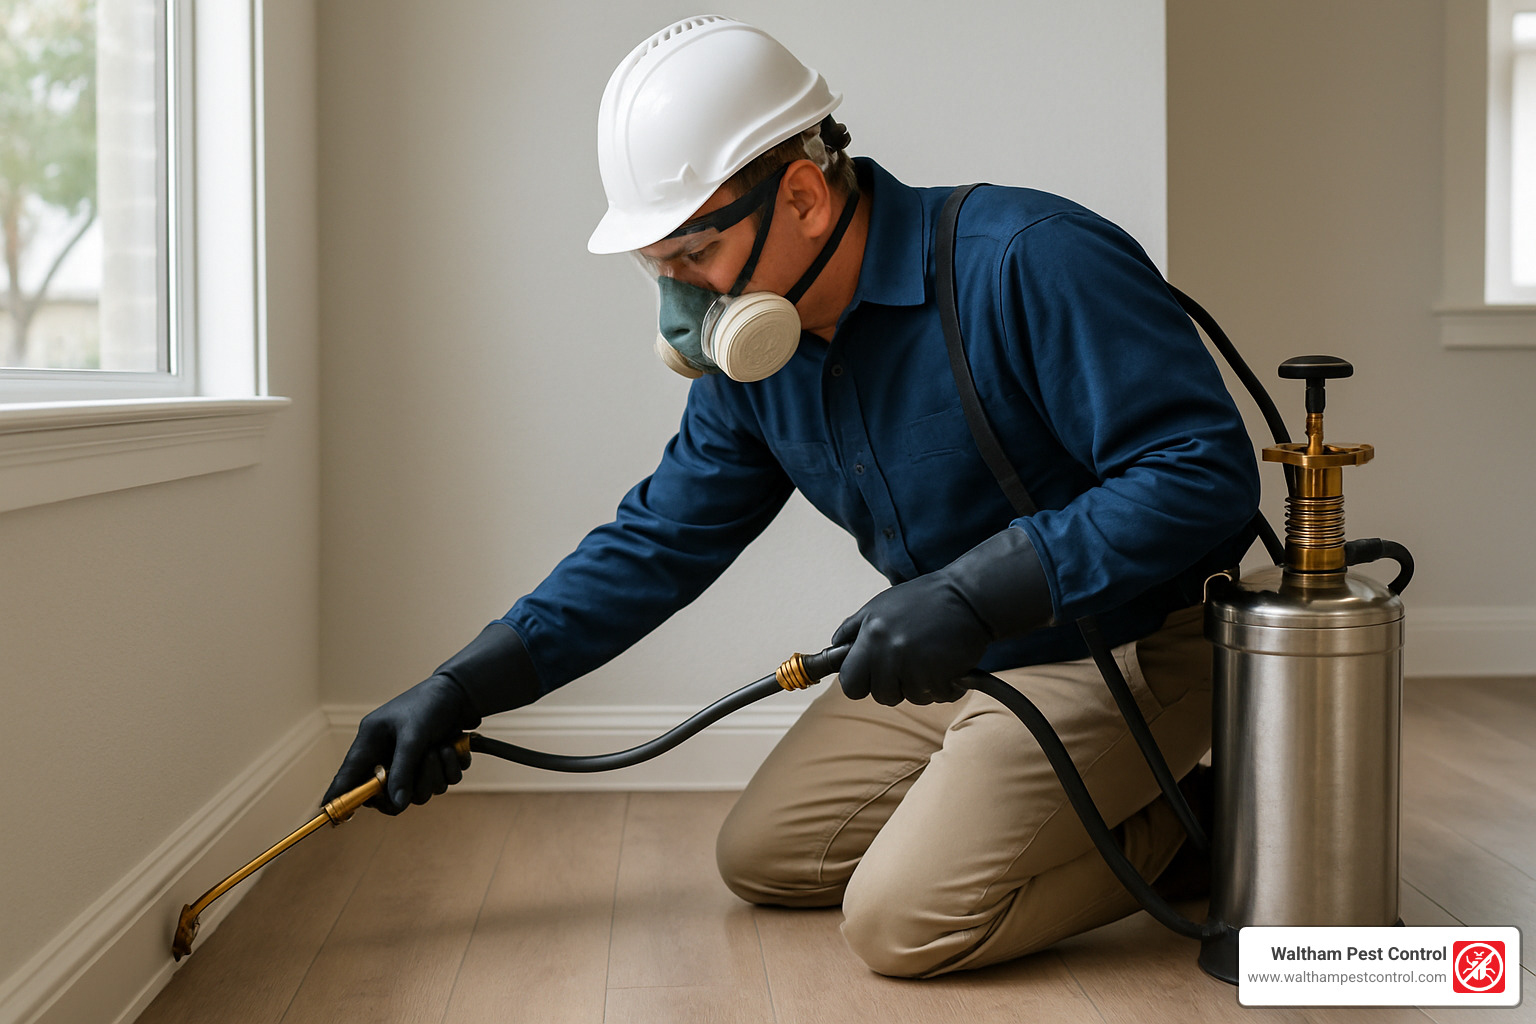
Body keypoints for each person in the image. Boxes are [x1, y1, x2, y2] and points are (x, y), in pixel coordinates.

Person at [324, 16, 1260, 979]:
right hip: (958, 661)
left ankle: (1214, 825)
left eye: (692, 258)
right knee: (766, 858)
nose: (682, 309)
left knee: (901, 921)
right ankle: (1134, 816)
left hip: (1129, 645)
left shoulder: (1026, 259)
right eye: (659, 272)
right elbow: (658, 542)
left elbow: (1202, 471)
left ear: (804, 196)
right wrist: (464, 685)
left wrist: (978, 590)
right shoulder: (755, 367)